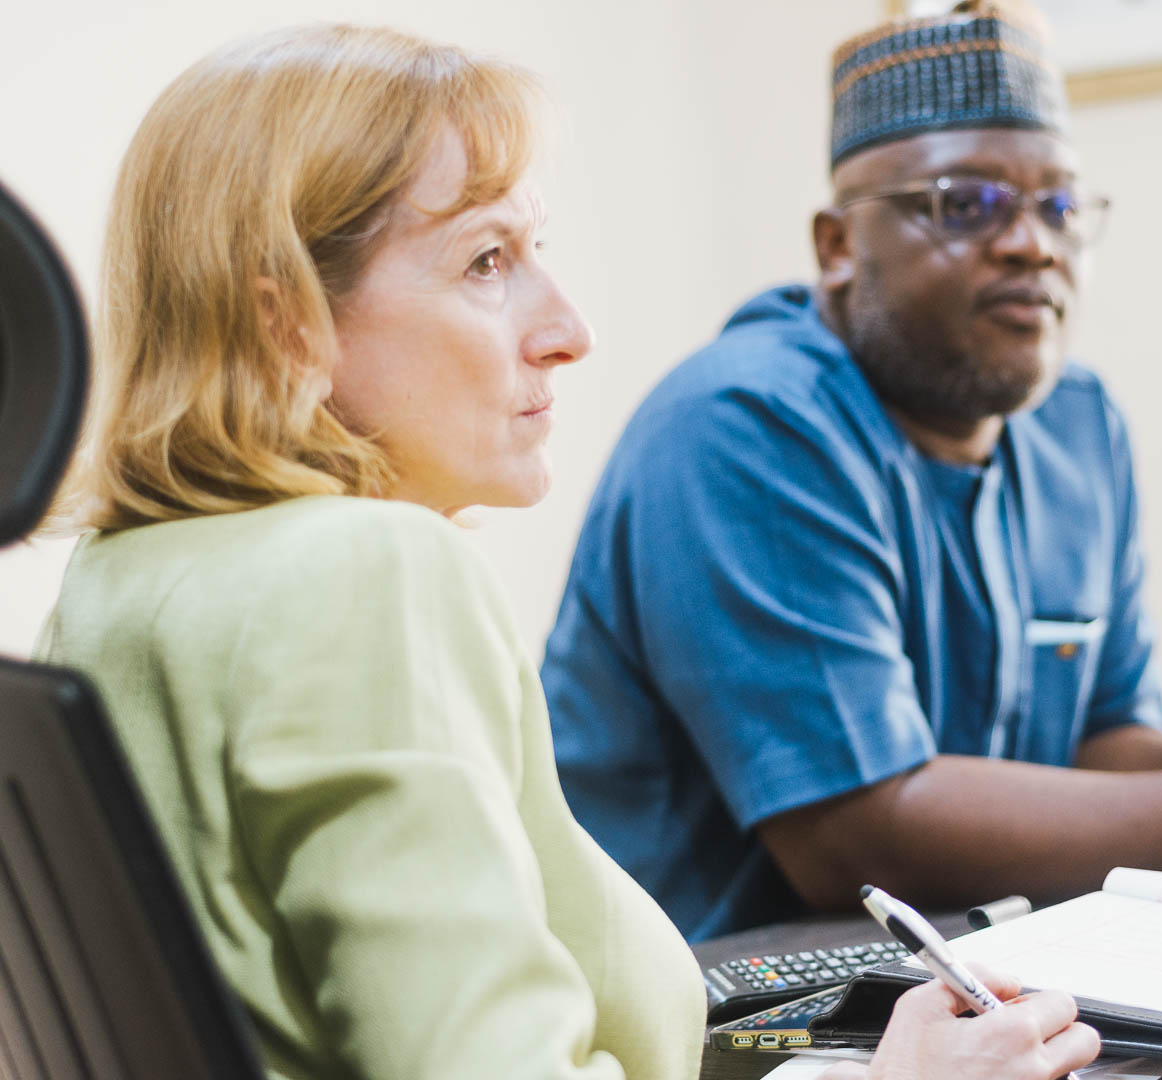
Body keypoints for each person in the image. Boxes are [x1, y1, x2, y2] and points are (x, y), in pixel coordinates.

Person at [36, 24, 1099, 1080]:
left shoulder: (117, 577)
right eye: (486, 260)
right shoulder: (374, 573)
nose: (568, 330)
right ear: (288, 325)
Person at [541, 0, 1162, 943]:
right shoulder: (746, 427)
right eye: (964, 204)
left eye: (1059, 206)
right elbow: (859, 839)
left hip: (981, 982)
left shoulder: (1075, 428)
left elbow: (1099, 748)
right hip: (728, 1010)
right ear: (836, 247)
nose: (1030, 243)